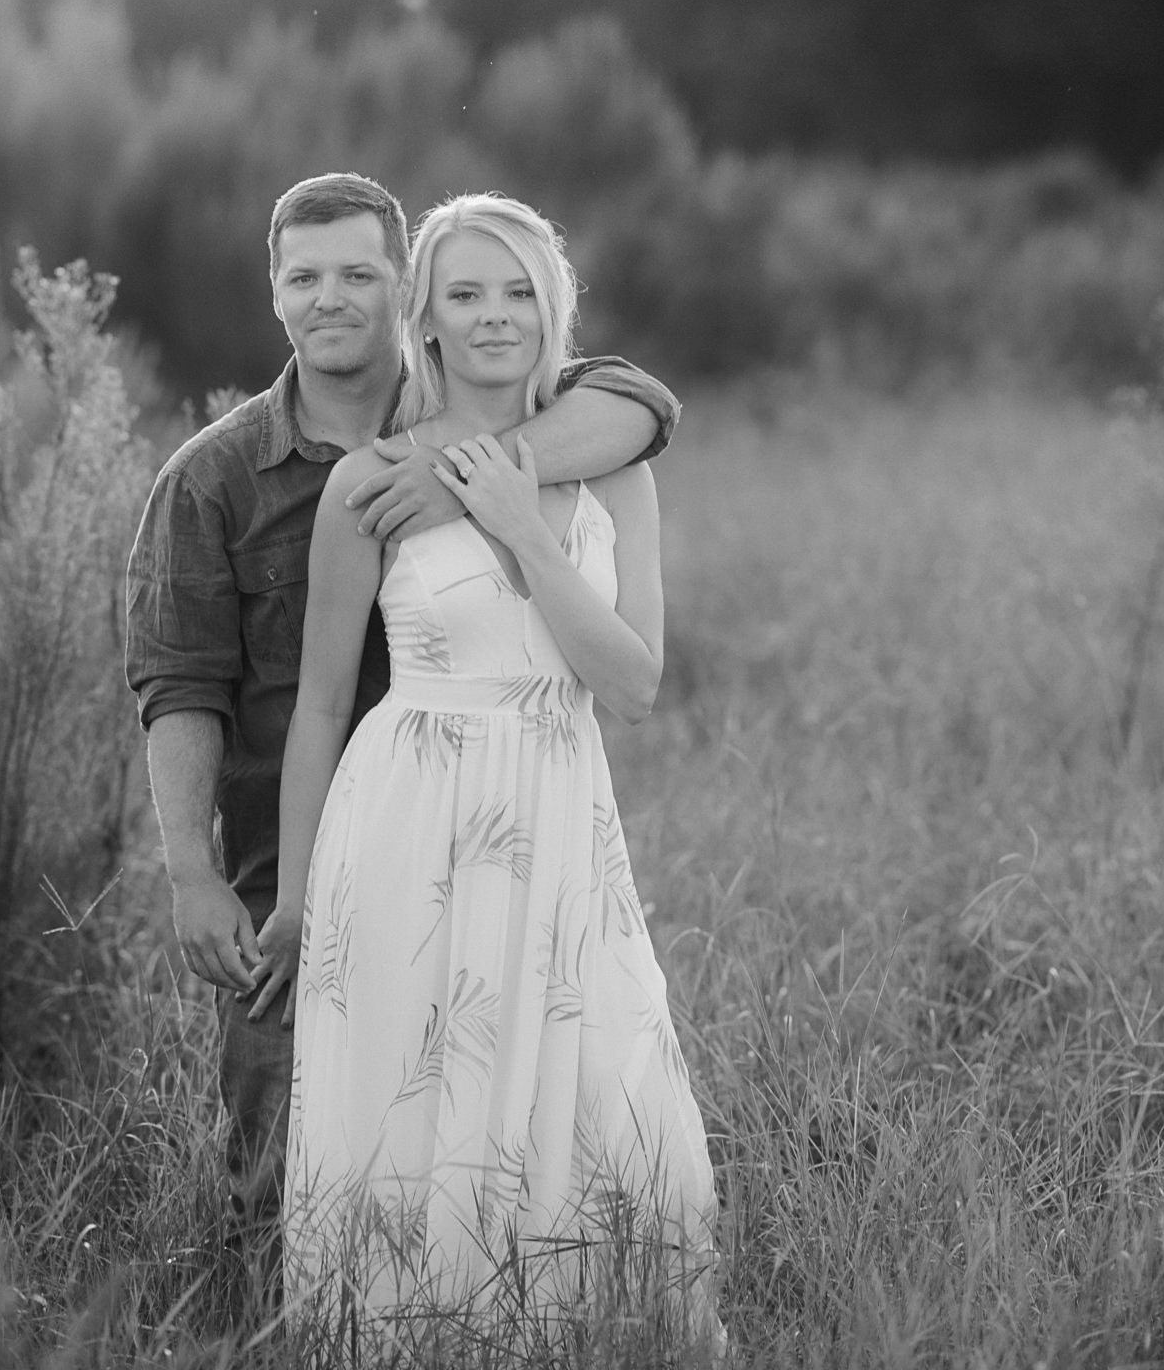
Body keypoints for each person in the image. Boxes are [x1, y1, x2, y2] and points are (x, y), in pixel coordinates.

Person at [124, 173, 680, 1251]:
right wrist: (194, 872)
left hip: (534, 806)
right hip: (313, 829)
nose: (330, 297)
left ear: (397, 295)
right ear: (274, 294)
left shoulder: (553, 422)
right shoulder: (216, 480)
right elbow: (182, 685)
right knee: (301, 1131)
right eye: (303, 277)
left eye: (358, 274)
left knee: (549, 1101)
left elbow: (645, 402)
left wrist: (479, 476)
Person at [252, 194, 721, 1349]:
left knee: (609, 1098)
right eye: (465, 293)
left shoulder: (615, 470)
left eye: (518, 291)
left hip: (562, 815)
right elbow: (319, 705)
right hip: (410, 818)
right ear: (429, 319)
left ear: (554, 308)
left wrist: (517, 520)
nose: (495, 317)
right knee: (418, 1123)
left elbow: (637, 688)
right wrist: (300, 898)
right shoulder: (367, 486)